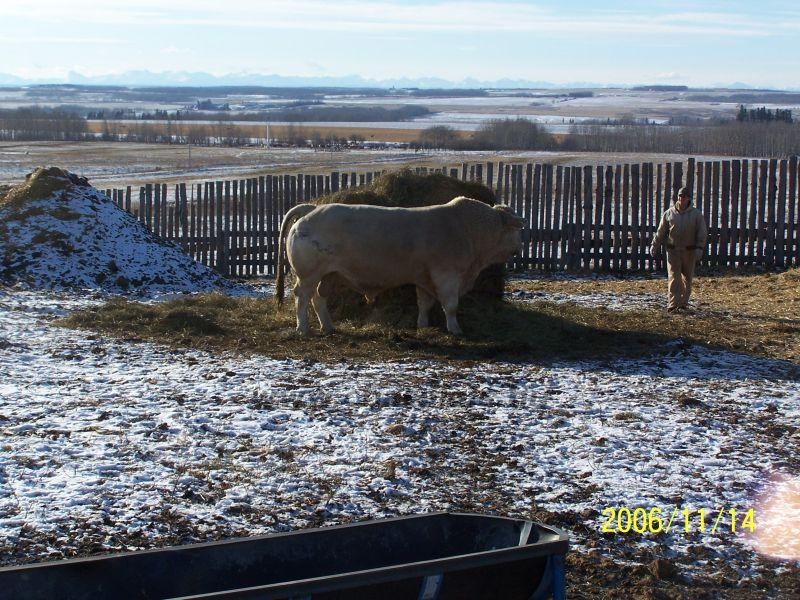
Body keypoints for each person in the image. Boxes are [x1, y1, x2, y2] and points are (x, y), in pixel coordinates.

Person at [650, 186, 708, 313]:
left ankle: (683, 304)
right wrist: (655, 244)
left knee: (687, 278)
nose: (681, 199)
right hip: (673, 251)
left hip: (689, 251)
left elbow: (702, 232)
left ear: (688, 198)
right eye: (680, 196)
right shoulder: (669, 213)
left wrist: (699, 247)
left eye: (684, 196)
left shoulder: (696, 215)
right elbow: (661, 231)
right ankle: (673, 304)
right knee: (674, 278)